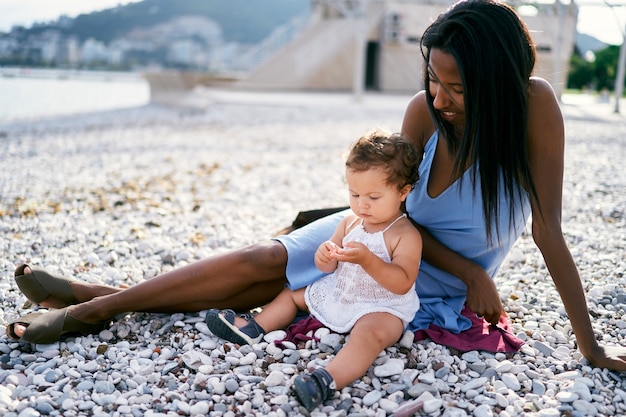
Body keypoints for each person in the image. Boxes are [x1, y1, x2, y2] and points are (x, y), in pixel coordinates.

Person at [7, 0, 626, 375]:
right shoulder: (423, 113)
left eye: (456, 87)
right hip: (375, 234)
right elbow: (390, 208)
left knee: (271, 289)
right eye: (432, 79)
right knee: (263, 262)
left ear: (495, 77)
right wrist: (472, 270)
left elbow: (549, 232)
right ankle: (90, 308)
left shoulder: (534, 108)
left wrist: (590, 346)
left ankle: (98, 295)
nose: (439, 98)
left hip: (420, 277)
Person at [203, 130, 422, 410]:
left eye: (374, 197)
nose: (361, 204)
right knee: (292, 294)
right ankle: (254, 328)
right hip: (342, 291)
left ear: (403, 192)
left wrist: (369, 260)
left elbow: (402, 282)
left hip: (383, 305)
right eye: (354, 194)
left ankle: (326, 380)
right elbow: (327, 264)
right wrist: (325, 256)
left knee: (372, 336)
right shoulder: (351, 222)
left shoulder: (404, 234)